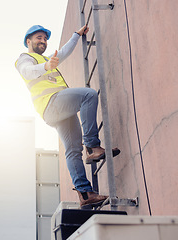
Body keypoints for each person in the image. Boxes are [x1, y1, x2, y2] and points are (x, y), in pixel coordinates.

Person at [15, 25, 120, 208]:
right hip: (51, 103)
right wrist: (46, 66)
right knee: (88, 95)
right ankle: (92, 145)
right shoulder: (25, 59)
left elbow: (63, 52)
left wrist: (76, 35)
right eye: (39, 38)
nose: (43, 41)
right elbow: (27, 71)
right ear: (28, 41)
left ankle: (85, 194)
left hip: (58, 110)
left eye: (45, 39)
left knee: (72, 151)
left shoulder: (47, 59)